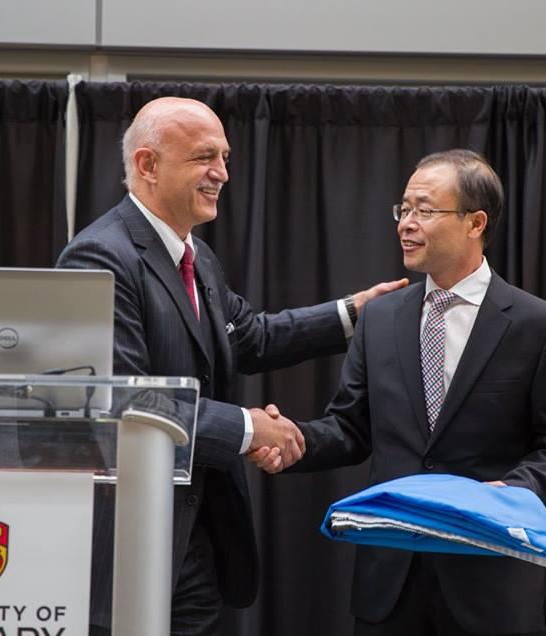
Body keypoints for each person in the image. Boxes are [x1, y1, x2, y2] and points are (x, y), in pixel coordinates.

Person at [56, 96, 407, 635]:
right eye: (205, 157)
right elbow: (124, 403)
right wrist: (249, 428)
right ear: (148, 165)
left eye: (225, 157)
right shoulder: (101, 257)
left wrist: (354, 313)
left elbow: (250, 337)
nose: (222, 173)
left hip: (196, 544)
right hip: (136, 548)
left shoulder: (195, 256)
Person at [250, 149, 546, 635]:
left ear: (475, 223)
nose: (406, 223)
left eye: (424, 210)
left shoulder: (540, 326)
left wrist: (513, 492)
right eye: (403, 210)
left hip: (488, 581)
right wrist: (292, 441)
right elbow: (350, 428)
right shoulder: (381, 318)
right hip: (390, 582)